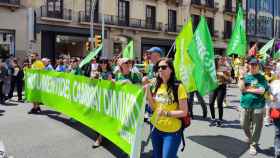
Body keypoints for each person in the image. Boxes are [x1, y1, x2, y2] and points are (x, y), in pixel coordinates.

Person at [145, 58, 188, 158]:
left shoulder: (179, 87)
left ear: (171, 70)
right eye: (158, 67)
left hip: (172, 132)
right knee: (157, 156)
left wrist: (166, 113)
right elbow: (153, 107)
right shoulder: (156, 85)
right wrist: (147, 91)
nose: (160, 69)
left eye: (163, 67)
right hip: (155, 127)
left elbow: (184, 112)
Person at [239, 56, 269, 155]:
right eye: (251, 64)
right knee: (243, 124)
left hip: (258, 106)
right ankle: (250, 137)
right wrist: (241, 76)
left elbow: (261, 91)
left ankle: (253, 145)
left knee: (256, 127)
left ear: (258, 66)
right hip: (245, 105)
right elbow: (241, 88)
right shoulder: (245, 76)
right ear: (248, 65)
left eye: (255, 64)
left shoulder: (262, 77)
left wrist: (247, 90)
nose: (253, 66)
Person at [92, 58, 114, 148]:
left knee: (102, 118)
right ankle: (101, 136)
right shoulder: (98, 73)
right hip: (98, 98)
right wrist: (93, 77)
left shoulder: (109, 73)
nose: (103, 64)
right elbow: (92, 83)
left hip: (106, 99)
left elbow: (110, 85)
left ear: (107, 64)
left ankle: (99, 139)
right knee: (97, 118)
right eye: (101, 62)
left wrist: (110, 80)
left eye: (105, 62)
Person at [209, 56, 231, 127]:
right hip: (213, 87)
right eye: (219, 60)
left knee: (219, 104)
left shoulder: (224, 68)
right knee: (211, 103)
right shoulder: (211, 68)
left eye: (221, 60)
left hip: (221, 87)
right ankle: (213, 119)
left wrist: (223, 75)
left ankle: (220, 120)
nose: (221, 61)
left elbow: (230, 79)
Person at [268, 65, 280, 158]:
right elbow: (269, 96)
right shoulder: (274, 83)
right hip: (277, 110)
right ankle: (277, 152)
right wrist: (272, 97)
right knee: (278, 132)